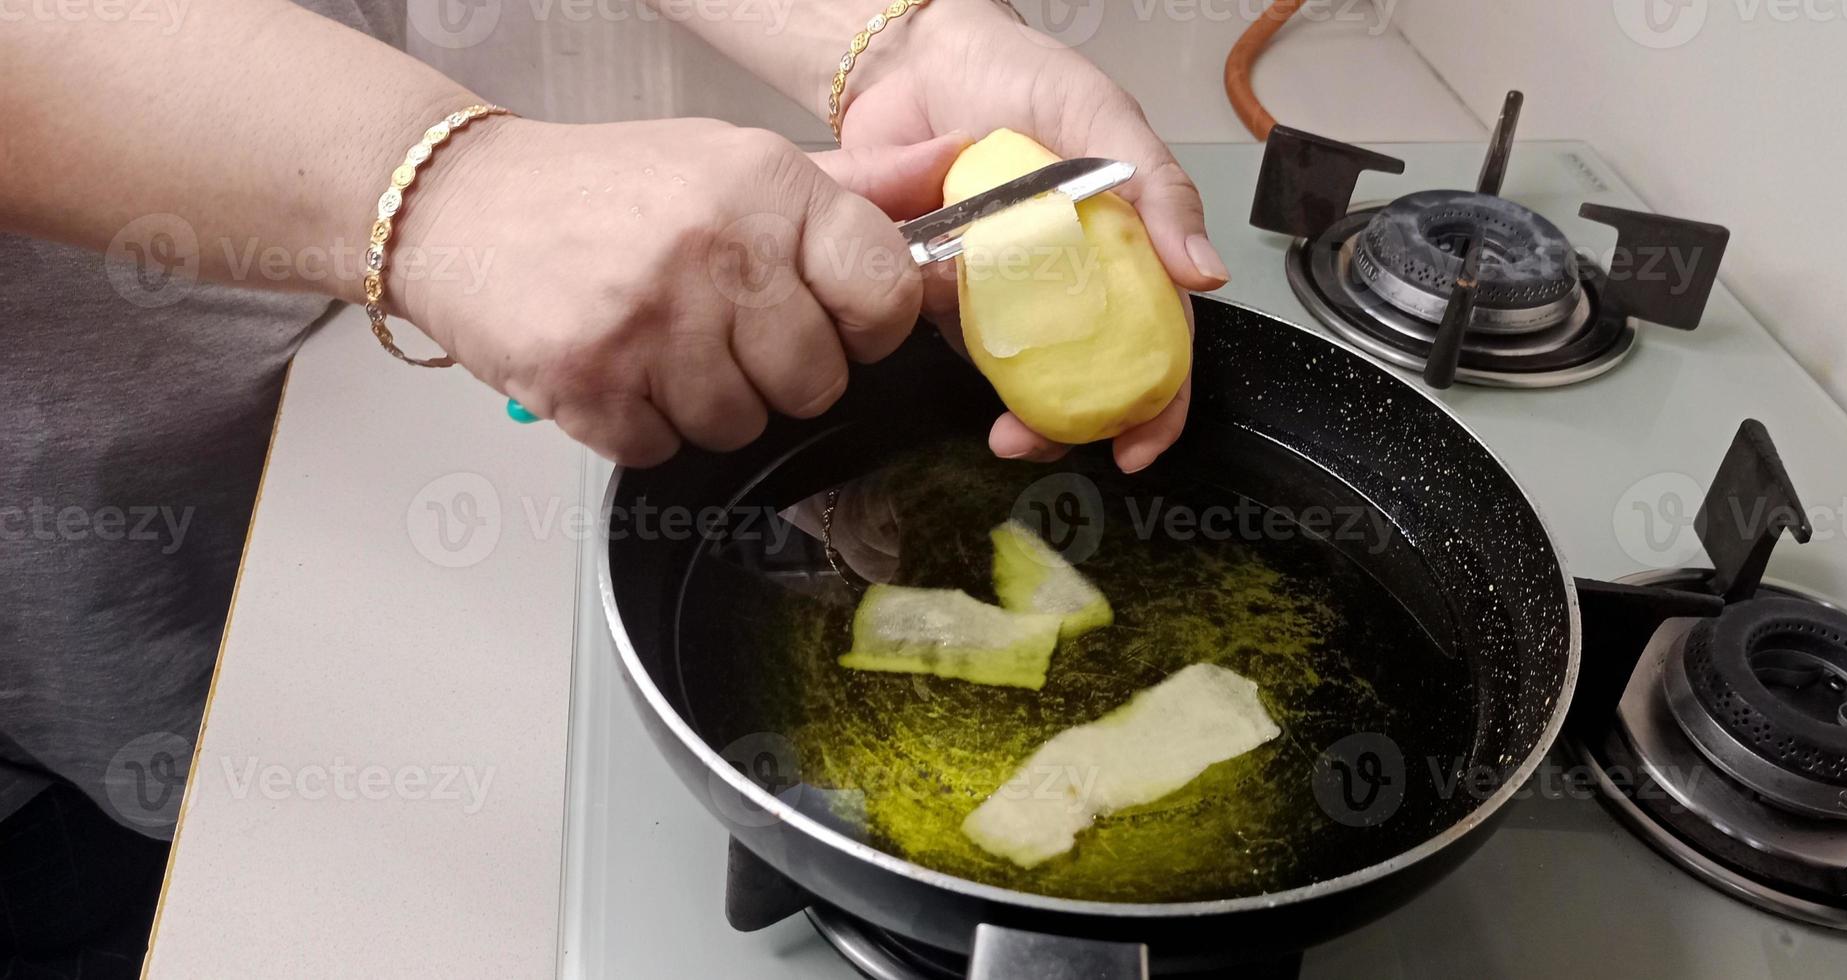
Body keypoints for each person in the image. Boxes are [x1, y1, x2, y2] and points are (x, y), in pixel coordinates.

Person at [0, 0, 1224, 969]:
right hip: (70, 491)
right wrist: (441, 185)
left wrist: (903, 36)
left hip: (343, 294)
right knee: (152, 861)